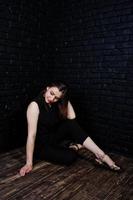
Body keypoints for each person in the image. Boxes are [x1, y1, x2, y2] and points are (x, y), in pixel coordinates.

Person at [20, 82, 120, 176]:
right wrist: (29, 163)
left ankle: (101, 154)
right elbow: (31, 135)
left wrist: (64, 99)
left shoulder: (55, 103)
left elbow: (72, 118)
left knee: (70, 124)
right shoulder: (35, 105)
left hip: (52, 137)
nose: (52, 98)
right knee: (70, 157)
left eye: (56, 98)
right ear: (47, 88)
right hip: (41, 145)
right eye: (51, 93)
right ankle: (74, 147)